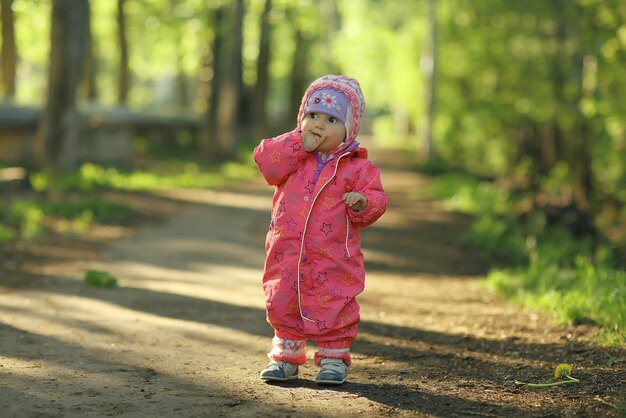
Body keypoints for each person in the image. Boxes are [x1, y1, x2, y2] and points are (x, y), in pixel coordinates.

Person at [253, 75, 388, 385]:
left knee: (334, 300)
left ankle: (333, 358)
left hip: (332, 257)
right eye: (312, 115)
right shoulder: (292, 156)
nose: (318, 125)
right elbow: (265, 161)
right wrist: (296, 142)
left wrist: (361, 202)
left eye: (330, 119)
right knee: (283, 297)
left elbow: (377, 200)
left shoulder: (357, 167)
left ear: (349, 129)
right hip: (287, 251)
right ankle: (285, 356)